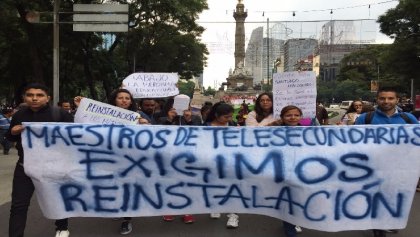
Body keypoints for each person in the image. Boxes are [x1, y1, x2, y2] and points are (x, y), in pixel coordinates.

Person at [6, 83, 73, 237]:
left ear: (47, 98)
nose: (34, 98)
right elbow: (10, 137)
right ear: (25, 97)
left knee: (57, 198)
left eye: (39, 95)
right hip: (25, 167)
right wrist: (14, 131)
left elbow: (74, 137)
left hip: (54, 167)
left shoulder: (61, 114)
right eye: (30, 95)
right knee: (18, 205)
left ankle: (62, 227)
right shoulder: (19, 115)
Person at [355, 87, 418, 237]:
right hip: (372, 167)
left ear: (397, 100)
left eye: (390, 98)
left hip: (401, 168)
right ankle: (379, 228)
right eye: (382, 98)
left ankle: (389, 220)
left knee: (394, 196)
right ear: (377, 100)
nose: (386, 101)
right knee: (376, 197)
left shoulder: (408, 119)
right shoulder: (365, 118)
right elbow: (354, 141)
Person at [204, 102, 239, 228]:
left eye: (231, 116)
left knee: (233, 188)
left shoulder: (234, 125)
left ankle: (233, 215)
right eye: (226, 117)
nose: (229, 119)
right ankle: (215, 206)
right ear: (217, 115)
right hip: (211, 162)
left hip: (231, 162)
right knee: (214, 185)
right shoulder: (206, 126)